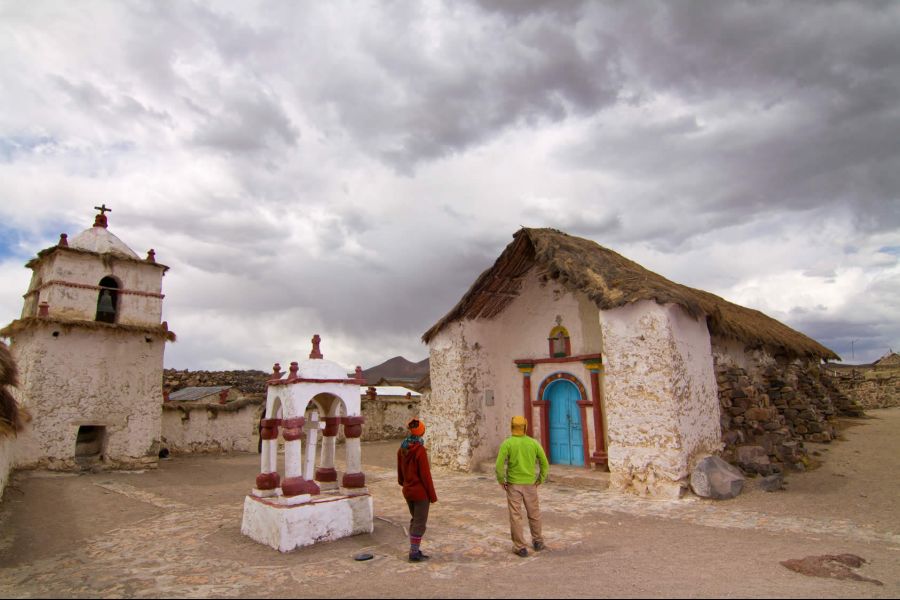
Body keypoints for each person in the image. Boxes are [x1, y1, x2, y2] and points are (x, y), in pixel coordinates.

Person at [496, 415, 549, 557]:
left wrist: (501, 480)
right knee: (534, 513)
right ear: (525, 427)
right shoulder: (533, 443)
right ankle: (538, 541)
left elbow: (499, 465)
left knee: (515, 515)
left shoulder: (507, 443)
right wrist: (540, 479)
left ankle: (520, 547)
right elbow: (544, 463)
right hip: (530, 484)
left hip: (513, 484)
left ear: (512, 426)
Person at [397, 418, 438, 562]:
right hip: (420, 492)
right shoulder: (420, 451)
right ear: (421, 432)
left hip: (408, 490)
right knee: (420, 522)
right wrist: (432, 496)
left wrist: (404, 484)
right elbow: (425, 476)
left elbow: (400, 472)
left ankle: (414, 549)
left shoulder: (402, 448)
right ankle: (413, 552)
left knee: (415, 519)